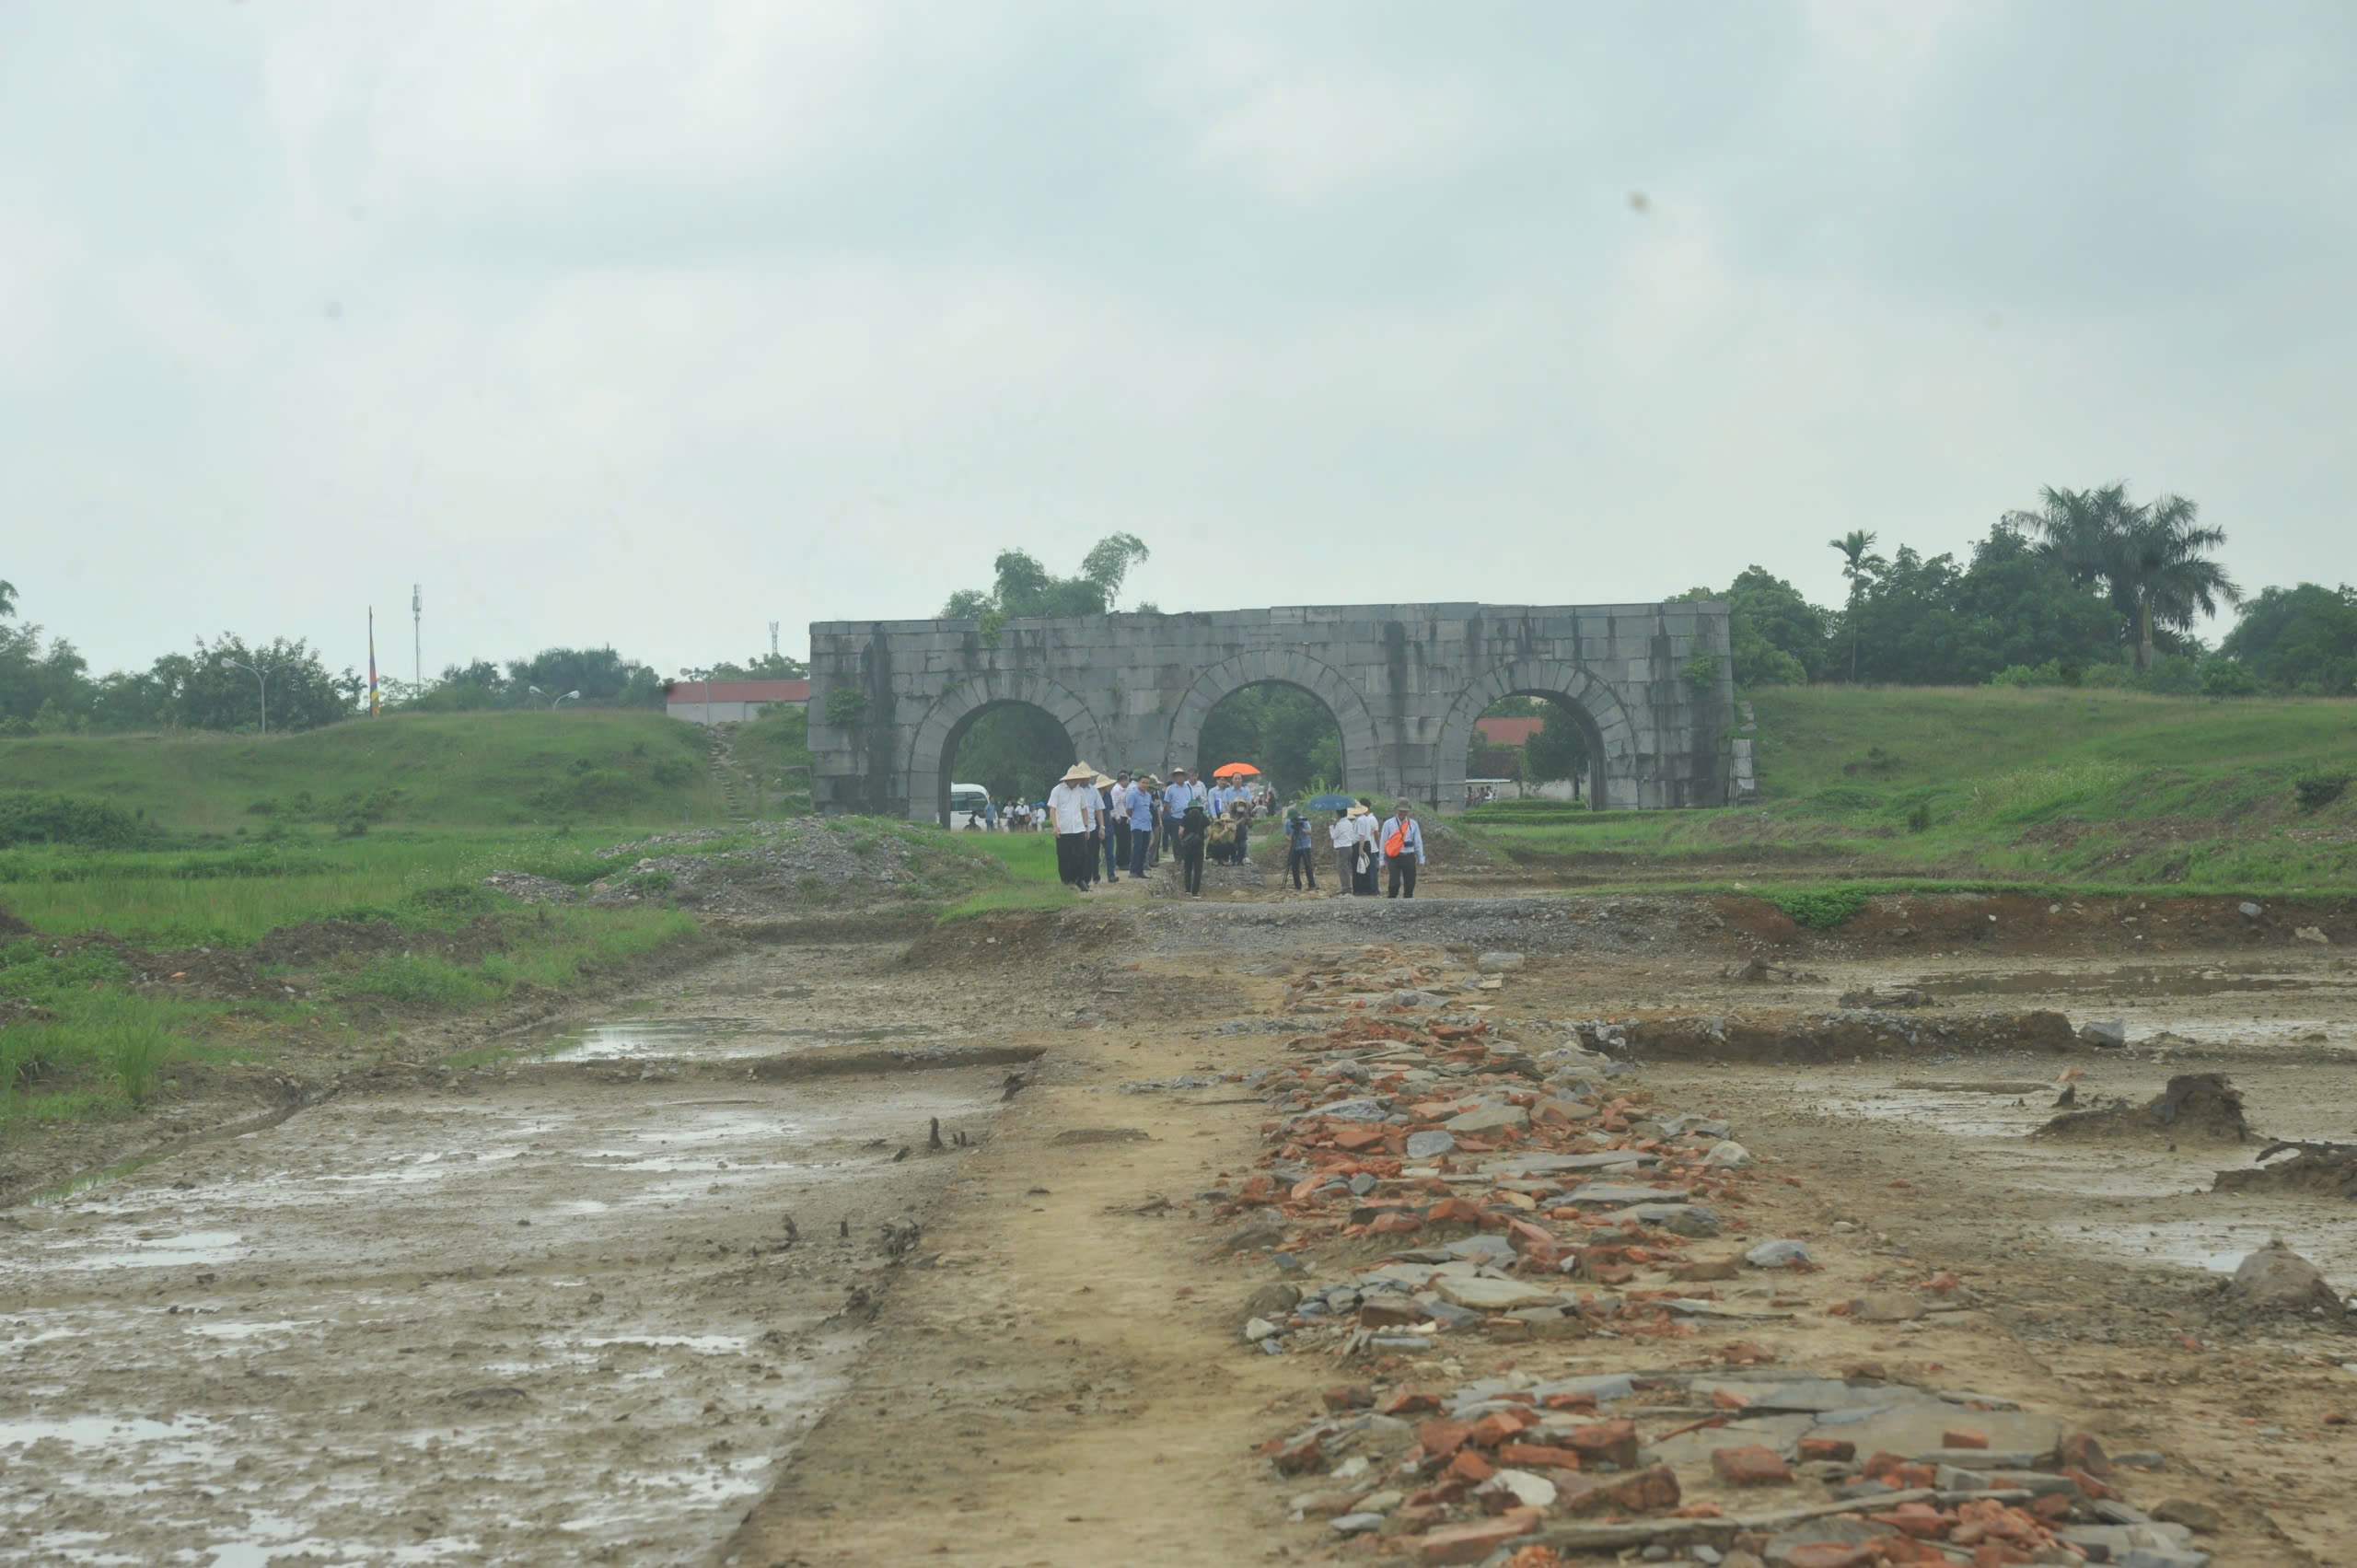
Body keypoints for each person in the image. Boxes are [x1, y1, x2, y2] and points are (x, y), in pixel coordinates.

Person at [1046, 762, 1099, 889]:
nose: (1077, 782)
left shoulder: (1080, 791)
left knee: (1082, 855)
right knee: (1064, 857)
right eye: (1075, 780)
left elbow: (1084, 809)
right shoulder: (1057, 790)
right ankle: (1067, 882)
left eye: (1078, 780)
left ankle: (1080, 880)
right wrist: (1055, 826)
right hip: (1063, 830)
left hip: (1079, 828)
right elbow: (1052, 810)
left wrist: (1086, 826)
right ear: (1069, 779)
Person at [1382, 801, 1426, 900]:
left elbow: (1418, 843)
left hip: (1409, 857)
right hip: (1394, 857)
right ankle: (1392, 900)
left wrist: (1421, 860)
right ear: (1396, 810)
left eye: (1405, 811)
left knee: (1410, 883)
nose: (1403, 813)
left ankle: (1408, 902)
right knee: (1394, 883)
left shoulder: (1413, 824)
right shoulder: (1388, 824)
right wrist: (1382, 861)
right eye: (1401, 811)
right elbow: (1384, 843)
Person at [1177, 795, 1210, 896]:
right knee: (1198, 869)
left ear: (1189, 808)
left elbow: (1180, 832)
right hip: (1199, 846)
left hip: (1187, 847)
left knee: (1187, 868)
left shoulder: (1185, 817)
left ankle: (1187, 890)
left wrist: (1183, 840)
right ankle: (1195, 892)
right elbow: (1209, 831)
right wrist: (1202, 838)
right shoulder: (1203, 817)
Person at [1124, 771, 1155, 877]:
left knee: (1144, 848)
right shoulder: (1133, 794)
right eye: (1143, 782)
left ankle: (1140, 871)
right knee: (1137, 847)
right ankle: (1133, 871)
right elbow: (1128, 810)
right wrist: (1136, 818)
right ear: (1138, 783)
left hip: (1147, 826)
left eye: (1147, 783)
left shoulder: (1148, 795)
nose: (1145, 785)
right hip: (1137, 825)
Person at [1107, 770, 1134, 881]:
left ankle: (1124, 861)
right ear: (1123, 780)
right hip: (1119, 819)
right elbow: (1112, 805)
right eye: (1127, 780)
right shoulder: (1116, 790)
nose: (1128, 782)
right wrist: (1117, 817)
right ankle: (1122, 862)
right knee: (1122, 840)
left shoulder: (1124, 789)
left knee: (1126, 840)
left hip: (1125, 817)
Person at [1283, 809, 1318, 891]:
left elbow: (1310, 832)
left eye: (1294, 818)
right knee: (1294, 866)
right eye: (1292, 819)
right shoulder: (1288, 822)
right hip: (1295, 846)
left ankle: (1312, 885)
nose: (1293, 820)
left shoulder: (1304, 820)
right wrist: (1291, 840)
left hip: (1306, 845)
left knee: (1308, 865)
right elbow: (1285, 834)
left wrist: (1301, 829)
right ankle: (1298, 886)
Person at [1353, 799, 1381, 895]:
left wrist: (1361, 849)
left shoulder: (1368, 819)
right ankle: (1368, 889)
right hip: (1368, 845)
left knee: (1369, 869)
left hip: (1368, 846)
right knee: (1367, 869)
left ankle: (1371, 890)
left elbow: (1364, 835)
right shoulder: (1365, 818)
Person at [1328, 807, 1356, 894]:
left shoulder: (1340, 824)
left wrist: (1331, 827)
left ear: (1338, 814)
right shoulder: (1349, 822)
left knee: (1342, 869)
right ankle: (1347, 888)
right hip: (1349, 847)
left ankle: (1346, 889)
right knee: (1346, 868)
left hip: (1342, 848)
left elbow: (1333, 836)